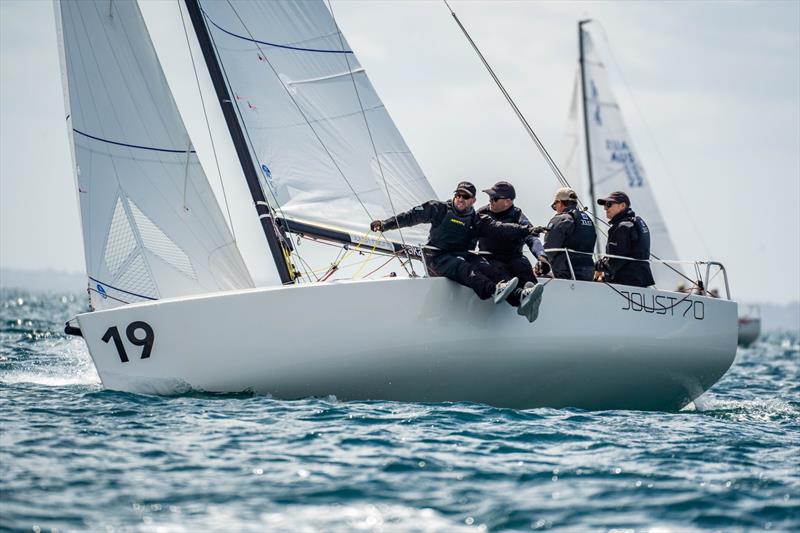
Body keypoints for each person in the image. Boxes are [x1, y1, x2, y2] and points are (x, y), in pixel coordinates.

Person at [370, 181, 542, 321]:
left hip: (463, 255)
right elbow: (409, 217)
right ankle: (492, 290)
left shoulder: (477, 219)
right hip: (438, 258)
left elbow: (500, 228)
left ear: (473, 201)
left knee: (488, 268)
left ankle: (520, 298)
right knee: (465, 268)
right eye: (458, 195)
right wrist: (385, 224)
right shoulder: (438, 209)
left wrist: (527, 230)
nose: (460, 198)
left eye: (465, 196)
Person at [476, 181, 547, 320]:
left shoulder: (518, 215)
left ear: (508, 202)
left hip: (514, 257)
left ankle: (530, 298)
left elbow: (532, 238)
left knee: (523, 266)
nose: (490, 201)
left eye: (494, 198)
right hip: (491, 258)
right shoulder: (481, 213)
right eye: (490, 197)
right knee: (500, 273)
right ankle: (522, 300)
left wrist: (542, 257)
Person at [594, 191, 655, 287]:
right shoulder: (637, 223)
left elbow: (614, 263)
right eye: (605, 206)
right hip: (641, 283)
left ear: (622, 206)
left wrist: (596, 267)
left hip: (626, 285)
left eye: (609, 204)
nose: (605, 208)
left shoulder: (622, 227)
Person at [542, 187, 596, 281]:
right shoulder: (588, 220)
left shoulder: (561, 219)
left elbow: (549, 249)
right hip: (588, 274)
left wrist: (541, 265)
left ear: (560, 202)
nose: (556, 209)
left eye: (555, 206)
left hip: (567, 274)